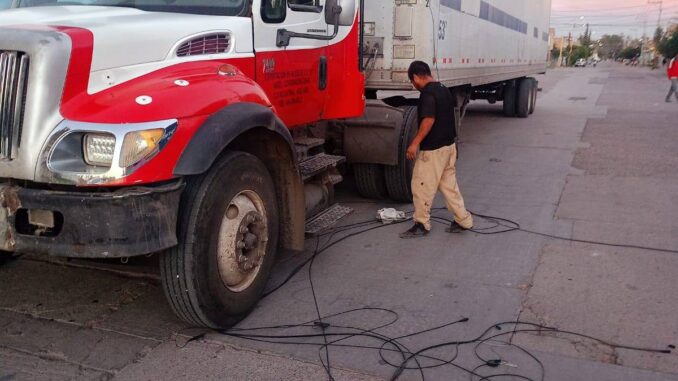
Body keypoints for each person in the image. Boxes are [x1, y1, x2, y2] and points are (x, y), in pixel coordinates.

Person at [400, 61, 473, 239]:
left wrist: (414, 143)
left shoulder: (427, 94)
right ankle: (464, 220)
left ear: (417, 77)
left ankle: (421, 223)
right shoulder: (444, 89)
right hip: (449, 147)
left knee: (421, 185)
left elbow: (428, 120)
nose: (413, 85)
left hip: (434, 151)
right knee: (449, 186)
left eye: (412, 81)